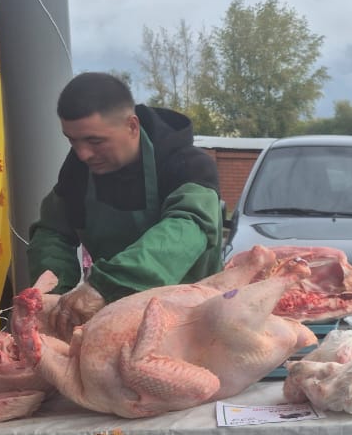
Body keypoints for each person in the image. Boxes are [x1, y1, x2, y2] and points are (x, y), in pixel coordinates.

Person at [27, 72, 224, 340]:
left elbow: (188, 225)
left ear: (132, 126)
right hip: (114, 322)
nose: (83, 154)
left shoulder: (187, 165)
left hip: (195, 323)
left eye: (95, 141)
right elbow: (52, 232)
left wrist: (106, 286)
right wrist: (54, 295)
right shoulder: (77, 172)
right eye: (72, 140)